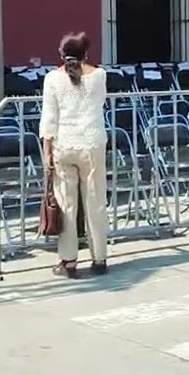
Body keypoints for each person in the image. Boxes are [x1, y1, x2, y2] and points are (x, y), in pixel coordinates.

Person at [39, 32, 110, 278]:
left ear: (61, 54)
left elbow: (49, 118)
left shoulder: (52, 79)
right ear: (86, 54)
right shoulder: (100, 76)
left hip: (64, 145)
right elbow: (100, 102)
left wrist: (47, 151)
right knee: (95, 202)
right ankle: (99, 257)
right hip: (92, 143)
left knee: (67, 205)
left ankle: (68, 261)